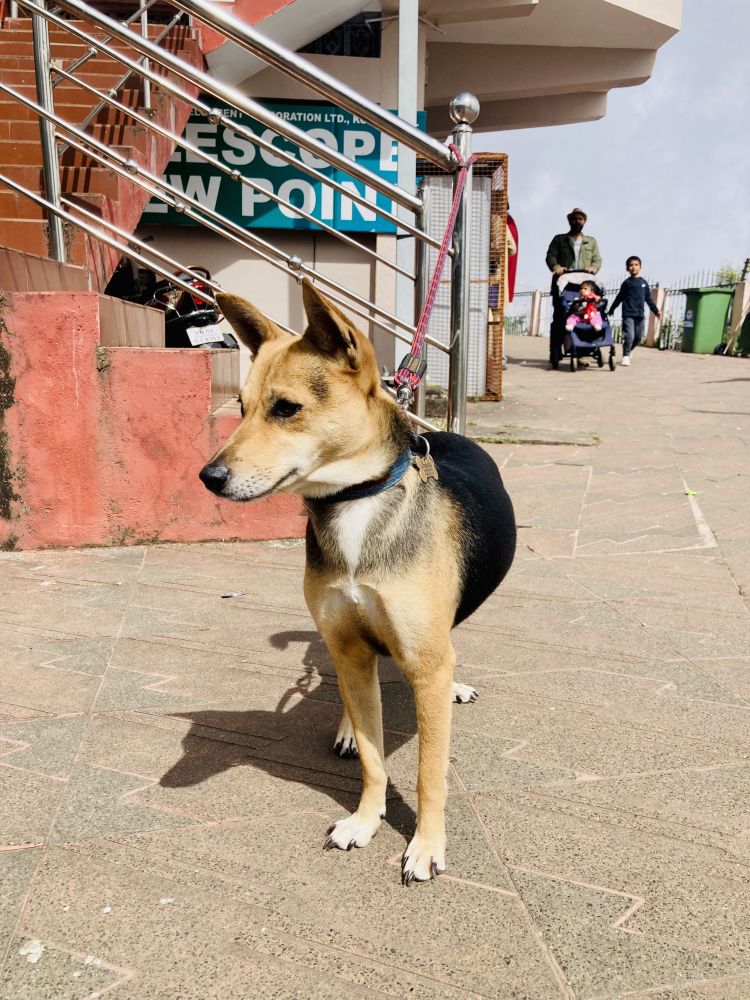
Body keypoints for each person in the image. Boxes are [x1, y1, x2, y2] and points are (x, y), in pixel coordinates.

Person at [608, 256, 661, 366]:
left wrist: (656, 311)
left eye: (636, 265)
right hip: (628, 314)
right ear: (627, 268)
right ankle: (626, 356)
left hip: (639, 315)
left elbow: (649, 299)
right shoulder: (627, 283)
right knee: (629, 336)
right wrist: (612, 309)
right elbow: (619, 297)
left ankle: (629, 350)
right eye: (631, 265)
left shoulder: (644, 283)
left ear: (640, 267)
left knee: (638, 338)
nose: (633, 267)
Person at [546, 208, 602, 276]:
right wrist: (556, 267)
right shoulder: (559, 239)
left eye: (580, 219)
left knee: (597, 283)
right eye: (574, 219)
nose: (577, 221)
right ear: (570, 221)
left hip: (585, 277)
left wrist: (594, 267)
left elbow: (597, 259)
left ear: (584, 222)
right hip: (564, 276)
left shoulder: (591, 241)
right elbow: (551, 256)